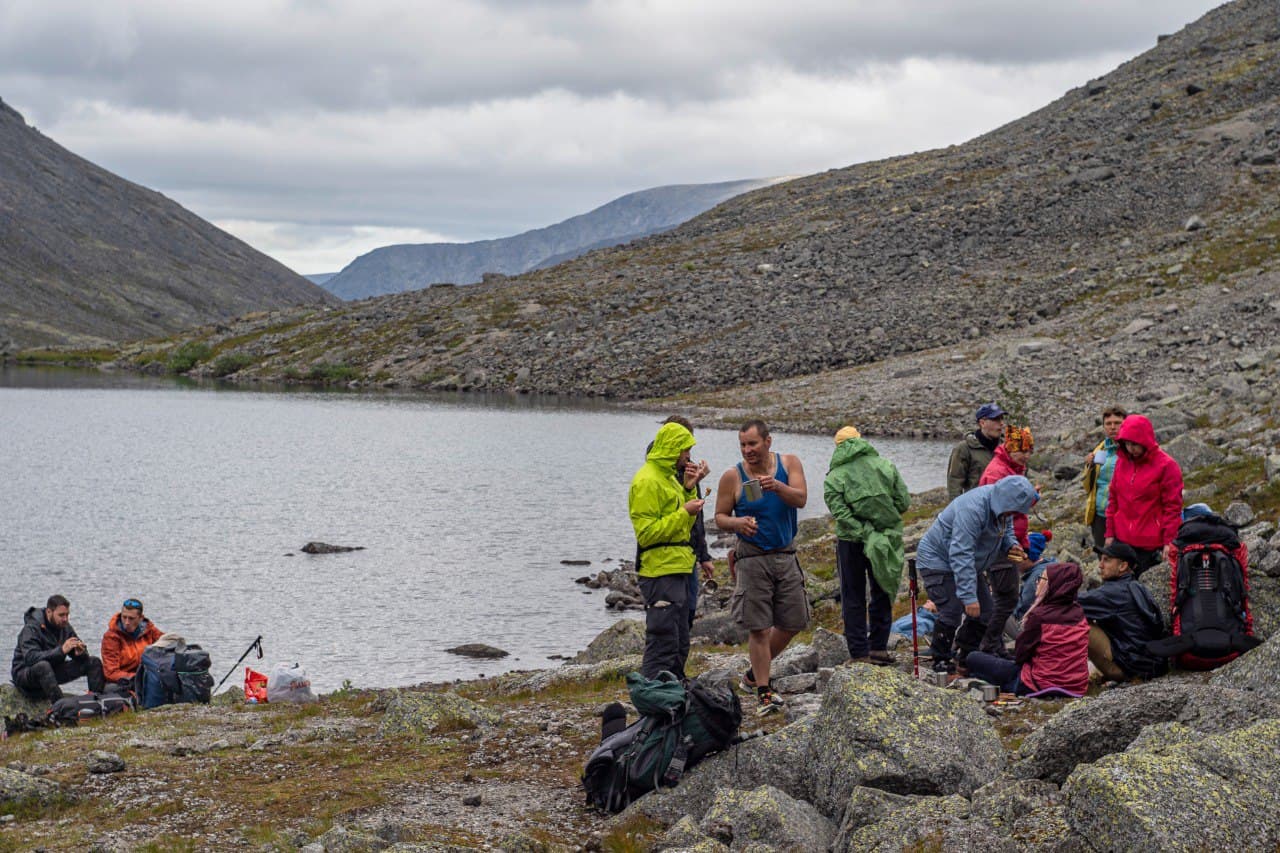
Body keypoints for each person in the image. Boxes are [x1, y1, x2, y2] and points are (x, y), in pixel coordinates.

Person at [715, 419, 808, 715]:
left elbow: (801, 499)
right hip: (752, 558)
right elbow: (719, 516)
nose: (747, 450)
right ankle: (764, 692)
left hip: (786, 553)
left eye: (752, 444)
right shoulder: (733, 476)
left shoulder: (790, 463)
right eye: (742, 445)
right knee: (758, 627)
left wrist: (778, 487)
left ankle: (755, 675)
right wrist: (738, 522)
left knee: (793, 622)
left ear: (768, 441)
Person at [915, 476, 1038, 674]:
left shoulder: (1002, 508)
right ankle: (941, 659)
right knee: (952, 610)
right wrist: (969, 596)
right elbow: (960, 552)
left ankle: (966, 656)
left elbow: (1005, 531)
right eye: (1014, 510)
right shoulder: (973, 509)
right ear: (1006, 501)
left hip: (969, 564)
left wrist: (1011, 546)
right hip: (937, 562)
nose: (1014, 514)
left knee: (986, 612)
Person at [822, 425, 910, 665]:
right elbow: (903, 501)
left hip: (851, 541)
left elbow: (840, 512)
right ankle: (879, 647)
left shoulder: (834, 477)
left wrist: (863, 531)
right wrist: (879, 525)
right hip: (885, 538)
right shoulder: (885, 466)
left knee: (853, 594)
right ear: (861, 441)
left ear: (838, 447)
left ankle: (859, 652)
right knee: (883, 588)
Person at [628, 421, 707, 681]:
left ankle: (673, 701)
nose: (688, 456)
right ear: (673, 448)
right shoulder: (647, 481)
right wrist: (685, 511)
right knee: (662, 644)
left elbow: (681, 520)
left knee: (679, 642)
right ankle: (652, 707)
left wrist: (688, 489)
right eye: (685, 450)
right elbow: (647, 533)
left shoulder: (667, 478)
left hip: (679, 568)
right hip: (660, 572)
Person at [961, 425, 1035, 658]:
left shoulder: (1014, 469)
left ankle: (992, 644)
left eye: (1029, 450)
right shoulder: (998, 472)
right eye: (1021, 450)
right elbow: (998, 511)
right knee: (1006, 596)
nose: (1025, 455)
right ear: (1010, 449)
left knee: (1005, 596)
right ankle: (988, 643)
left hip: (1010, 540)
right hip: (999, 542)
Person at [965, 562, 1090, 696]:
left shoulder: (1040, 616)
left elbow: (1021, 654)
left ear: (1053, 585)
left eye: (1042, 579)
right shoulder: (1079, 613)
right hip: (1076, 686)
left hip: (1037, 684)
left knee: (974, 658)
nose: (1037, 582)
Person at [646, 416, 715, 630]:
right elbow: (661, 520)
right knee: (670, 620)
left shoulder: (685, 468)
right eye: (685, 448)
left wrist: (703, 555)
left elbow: (696, 517)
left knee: (687, 614)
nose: (688, 456)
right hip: (665, 559)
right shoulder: (656, 472)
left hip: (688, 555)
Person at [1104, 414, 1184, 576]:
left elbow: (1172, 508)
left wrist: (1169, 542)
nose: (1130, 449)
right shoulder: (1122, 462)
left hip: (1149, 545)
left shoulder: (1167, 466)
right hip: (1122, 540)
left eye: (1135, 444)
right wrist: (1110, 533)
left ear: (1145, 440)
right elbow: (1113, 499)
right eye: (1126, 443)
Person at [1077, 543, 1167, 682]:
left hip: (1130, 668)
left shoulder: (1113, 592)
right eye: (1101, 559)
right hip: (1150, 663)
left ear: (1123, 566)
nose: (1100, 565)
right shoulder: (1136, 586)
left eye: (1106, 560)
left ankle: (1057, 674)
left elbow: (1072, 603)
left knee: (1075, 621)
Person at [11, 594, 106, 701]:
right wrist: (61, 650)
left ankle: (96, 703)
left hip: (52, 670)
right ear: (49, 612)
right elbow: (30, 658)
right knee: (43, 667)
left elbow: (81, 654)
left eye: (67, 615)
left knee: (93, 662)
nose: (65, 619)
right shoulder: (32, 628)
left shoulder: (64, 626)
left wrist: (80, 654)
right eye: (61, 615)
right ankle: (61, 708)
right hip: (25, 674)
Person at [1083, 407, 1127, 549]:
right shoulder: (1100, 449)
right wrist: (1089, 466)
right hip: (1100, 513)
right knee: (1103, 557)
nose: (1112, 427)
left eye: (1117, 423)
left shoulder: (1131, 449)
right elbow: (1088, 485)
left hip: (1123, 514)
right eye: (1108, 424)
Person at [946, 402, 1006, 500]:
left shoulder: (1006, 448)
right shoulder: (964, 448)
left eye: (1002, 418)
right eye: (996, 419)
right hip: (976, 508)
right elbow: (955, 483)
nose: (1001, 423)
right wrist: (957, 509)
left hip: (1002, 508)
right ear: (982, 423)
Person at [100, 597, 164, 686]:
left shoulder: (149, 630)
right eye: (124, 617)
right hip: (123, 681)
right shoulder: (111, 637)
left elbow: (166, 642)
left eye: (131, 618)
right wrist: (137, 677)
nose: (126, 622)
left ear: (140, 618)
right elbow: (111, 673)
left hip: (147, 675)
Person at [1013, 531, 1053, 623]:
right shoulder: (1050, 564)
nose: (1014, 562)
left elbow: (1021, 611)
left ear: (1027, 556)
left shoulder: (1034, 579)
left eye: (1017, 557)